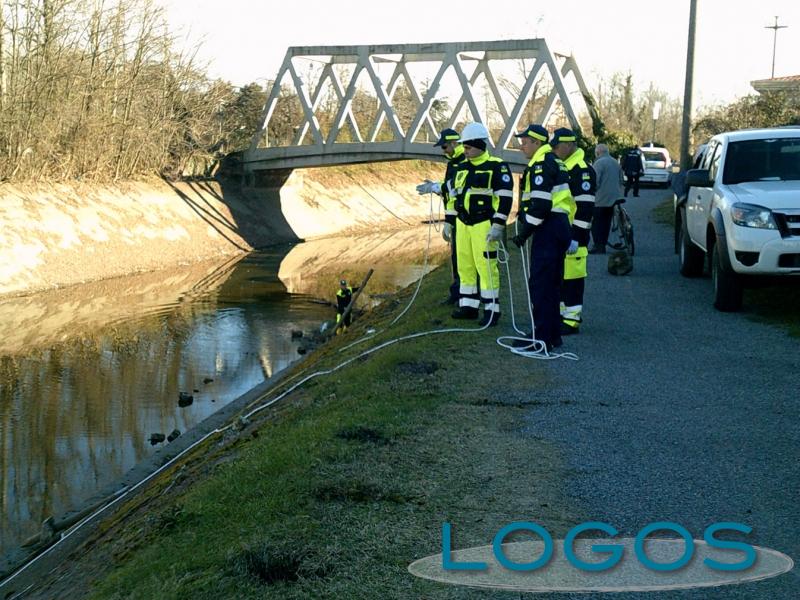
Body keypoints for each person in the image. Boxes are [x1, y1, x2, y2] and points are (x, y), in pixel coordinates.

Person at [510, 124, 572, 351]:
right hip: (559, 227)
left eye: (525, 142)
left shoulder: (540, 164)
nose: (521, 146)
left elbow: (542, 205)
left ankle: (541, 337)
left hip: (548, 228)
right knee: (553, 285)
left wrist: (523, 234)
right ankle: (552, 334)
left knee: (541, 284)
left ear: (537, 142)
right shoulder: (555, 161)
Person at [450, 122, 513, 326]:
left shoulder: (497, 166)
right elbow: (454, 197)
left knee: (486, 267)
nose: (464, 151)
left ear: (479, 144)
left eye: (467, 147)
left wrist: (498, 225)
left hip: (484, 224)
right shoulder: (461, 168)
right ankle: (468, 307)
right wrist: (449, 222)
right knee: (465, 266)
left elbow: (505, 198)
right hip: (463, 224)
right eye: (464, 147)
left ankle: (492, 309)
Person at [550, 128, 596, 335]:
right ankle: (561, 316)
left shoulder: (581, 169)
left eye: (557, 147)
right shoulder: (564, 166)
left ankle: (571, 320)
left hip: (574, 236)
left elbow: (585, 208)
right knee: (561, 278)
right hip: (562, 234)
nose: (555, 151)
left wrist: (576, 238)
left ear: (568, 145)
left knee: (573, 280)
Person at [416, 128, 466, 304]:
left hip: (463, 218)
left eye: (444, 146)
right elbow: (451, 190)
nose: (443, 150)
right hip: (455, 216)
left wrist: (439, 187)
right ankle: (458, 294)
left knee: (462, 258)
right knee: (456, 258)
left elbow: (458, 189)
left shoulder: (463, 160)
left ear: (454, 143)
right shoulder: (453, 161)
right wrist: (438, 189)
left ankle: (463, 296)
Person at [590, 143, 624, 254]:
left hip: (601, 198)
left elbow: (595, 181)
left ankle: (598, 245)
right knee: (606, 222)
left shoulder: (599, 163)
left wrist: (592, 191)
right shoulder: (615, 162)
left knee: (596, 223)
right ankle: (603, 243)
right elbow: (621, 180)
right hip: (615, 197)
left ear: (598, 153)